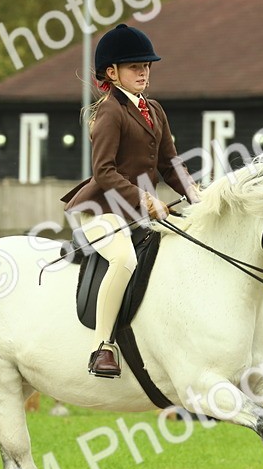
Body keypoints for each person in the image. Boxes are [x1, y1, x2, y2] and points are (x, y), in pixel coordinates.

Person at [62, 24, 199, 378]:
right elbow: (104, 171)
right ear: (112, 72)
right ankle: (103, 347)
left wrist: (196, 195)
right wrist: (145, 199)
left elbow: (170, 163)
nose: (144, 72)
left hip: (136, 213)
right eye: (136, 66)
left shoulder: (154, 109)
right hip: (100, 212)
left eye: (147, 66)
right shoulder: (110, 112)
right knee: (123, 260)